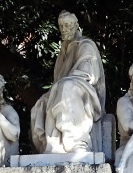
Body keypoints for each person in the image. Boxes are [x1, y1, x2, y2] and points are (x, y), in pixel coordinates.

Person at [30, 10, 106, 154]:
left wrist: (63, 84)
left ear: (76, 26)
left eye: (67, 25)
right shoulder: (63, 51)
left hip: (85, 91)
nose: (64, 29)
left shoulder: (86, 44)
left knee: (67, 88)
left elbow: (88, 73)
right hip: (65, 87)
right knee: (42, 102)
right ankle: (52, 145)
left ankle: (77, 142)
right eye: (61, 26)